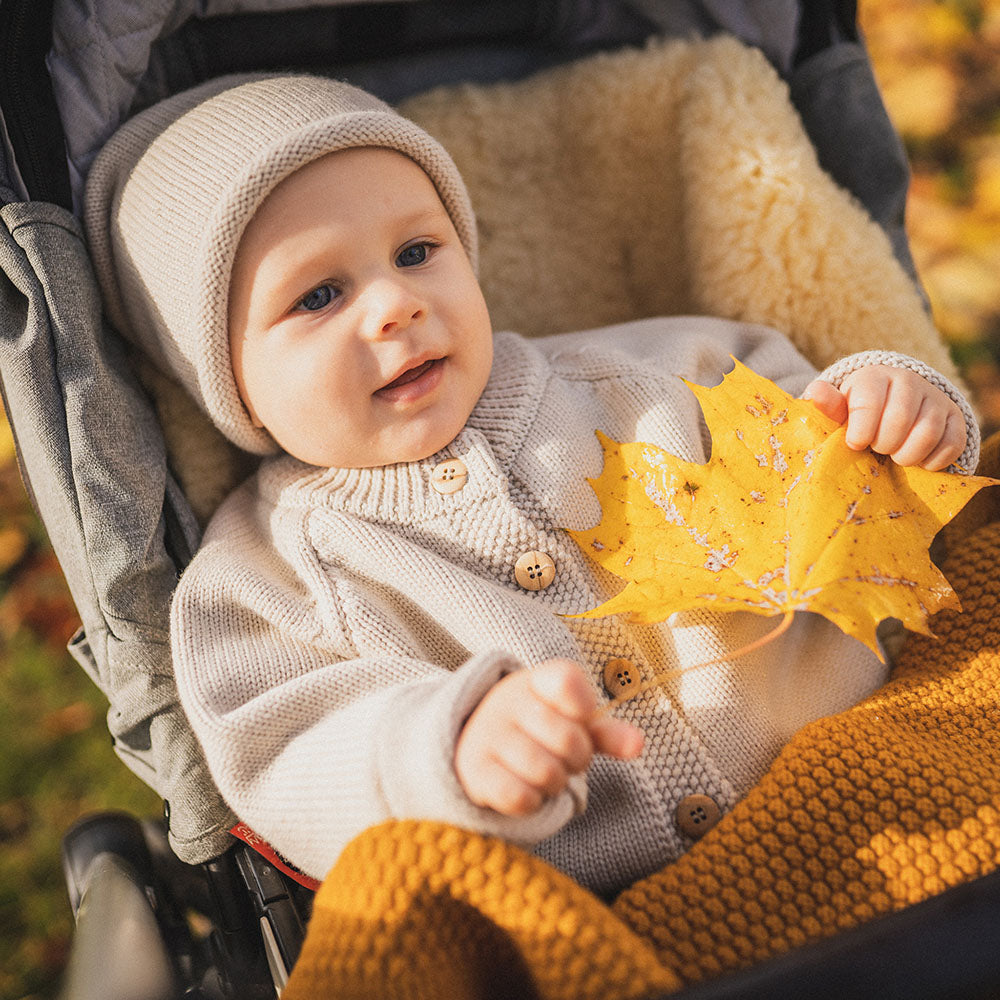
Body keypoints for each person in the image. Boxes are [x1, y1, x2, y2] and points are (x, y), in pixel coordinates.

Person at [84, 74, 979, 898]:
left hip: (880, 764)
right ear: (226, 382)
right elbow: (284, 753)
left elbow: (814, 431)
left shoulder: (651, 372)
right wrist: (446, 749)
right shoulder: (260, 579)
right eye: (319, 296)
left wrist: (894, 401)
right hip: (596, 910)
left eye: (417, 250)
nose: (394, 305)